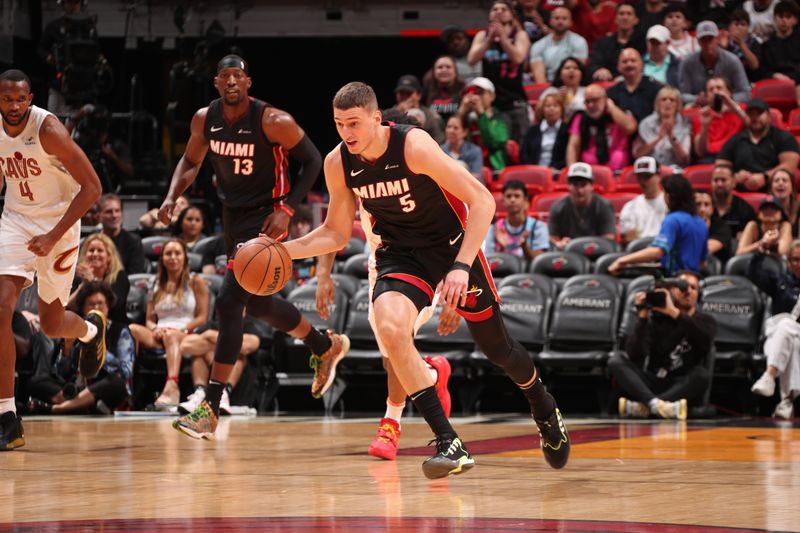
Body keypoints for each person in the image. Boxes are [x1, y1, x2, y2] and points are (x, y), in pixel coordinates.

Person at [283, 81, 570, 478]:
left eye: (353, 123)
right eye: (338, 124)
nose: (346, 133)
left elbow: (483, 201)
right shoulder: (338, 163)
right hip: (400, 255)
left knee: (498, 349)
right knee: (390, 330)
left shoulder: (413, 146)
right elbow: (333, 232)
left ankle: (542, 404)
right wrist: (281, 250)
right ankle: (449, 442)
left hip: (450, 248)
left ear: (376, 119)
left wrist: (461, 265)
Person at [159, 55, 348, 439]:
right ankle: (323, 344)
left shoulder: (273, 120)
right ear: (216, 83)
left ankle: (211, 406)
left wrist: (287, 209)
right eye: (225, 76)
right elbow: (190, 161)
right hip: (231, 215)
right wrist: (171, 196)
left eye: (238, 76)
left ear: (248, 82)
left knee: (230, 303)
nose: (231, 82)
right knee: (258, 303)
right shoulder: (204, 119)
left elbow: (312, 161)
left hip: (266, 216)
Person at [0, 69, 107, 451]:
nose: (13, 106)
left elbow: (93, 187)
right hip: (15, 220)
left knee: (50, 323)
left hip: (60, 221)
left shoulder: (48, 130)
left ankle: (91, 331)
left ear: (29, 100)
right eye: (6, 99)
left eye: (20, 100)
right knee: (1, 307)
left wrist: (52, 235)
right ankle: (8, 417)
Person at [610, 270, 716, 420]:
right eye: (683, 287)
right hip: (653, 380)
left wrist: (674, 312)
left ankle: (645, 407)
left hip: (681, 384)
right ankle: (657, 406)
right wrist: (642, 318)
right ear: (671, 291)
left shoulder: (705, 320)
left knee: (701, 375)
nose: (689, 292)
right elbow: (635, 355)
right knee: (616, 359)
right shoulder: (657, 319)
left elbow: (704, 340)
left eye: (694, 288)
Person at [28, 281, 134, 415]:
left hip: (103, 387)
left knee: (116, 383)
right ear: (83, 308)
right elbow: (60, 373)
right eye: (91, 304)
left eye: (100, 303)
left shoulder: (121, 330)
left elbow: (126, 371)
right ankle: (79, 406)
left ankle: (59, 408)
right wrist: (67, 348)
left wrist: (97, 346)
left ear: (108, 306)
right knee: (36, 382)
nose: (96, 307)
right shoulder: (76, 328)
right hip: (78, 389)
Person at [129, 239, 209, 409]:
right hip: (160, 332)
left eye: (177, 253)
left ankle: (172, 386)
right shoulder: (155, 283)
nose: (173, 257)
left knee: (171, 335)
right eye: (168, 253)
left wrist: (179, 329)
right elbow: (149, 319)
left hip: (185, 331)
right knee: (132, 329)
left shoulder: (196, 281)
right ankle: (128, 381)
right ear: (162, 258)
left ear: (185, 258)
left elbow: (202, 317)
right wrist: (155, 328)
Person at [609, 174, 708, 277]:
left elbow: (657, 251)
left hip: (675, 282)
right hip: (695, 282)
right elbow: (702, 263)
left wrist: (622, 260)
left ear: (668, 196)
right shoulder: (701, 223)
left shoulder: (673, 220)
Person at [748, 239, 800, 419]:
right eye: (794, 259)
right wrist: (761, 250)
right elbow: (753, 274)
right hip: (779, 338)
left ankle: (769, 376)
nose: (798, 264)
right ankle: (787, 401)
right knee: (791, 342)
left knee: (787, 326)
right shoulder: (781, 282)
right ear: (788, 262)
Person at [467, 0, 532, 141]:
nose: (499, 11)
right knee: (496, 143)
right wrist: (489, 40)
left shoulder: (520, 35)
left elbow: (518, 58)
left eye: (503, 9)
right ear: (490, 15)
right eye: (495, 9)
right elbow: (471, 60)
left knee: (519, 144)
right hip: (491, 102)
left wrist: (503, 38)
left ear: (511, 15)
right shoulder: (482, 36)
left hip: (515, 101)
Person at [177, 313, 261, 416]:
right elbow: (184, 345)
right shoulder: (211, 325)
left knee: (237, 354)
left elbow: (247, 346)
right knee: (198, 353)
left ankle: (224, 393)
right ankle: (200, 392)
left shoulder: (247, 325)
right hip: (210, 376)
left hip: (239, 388)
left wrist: (210, 336)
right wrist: (222, 346)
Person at [716, 98, 800, 193]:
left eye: (759, 113)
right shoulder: (735, 139)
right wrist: (735, 177)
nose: (755, 117)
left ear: (768, 116)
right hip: (741, 192)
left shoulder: (783, 137)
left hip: (774, 192)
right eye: (751, 114)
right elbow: (720, 166)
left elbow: (789, 166)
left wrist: (765, 177)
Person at [566, 83, 638, 171]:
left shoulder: (619, 114)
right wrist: (572, 169)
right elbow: (573, 146)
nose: (590, 105)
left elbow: (630, 128)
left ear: (605, 99)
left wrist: (611, 108)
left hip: (618, 173)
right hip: (589, 174)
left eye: (595, 100)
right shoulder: (581, 118)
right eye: (587, 101)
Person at [678, 21, 751, 106]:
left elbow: (746, 94)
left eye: (710, 39)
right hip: (699, 107)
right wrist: (697, 99)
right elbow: (682, 95)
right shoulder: (687, 63)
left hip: (728, 106)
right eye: (703, 39)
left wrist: (727, 97)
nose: (707, 43)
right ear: (698, 41)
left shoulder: (732, 61)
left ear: (717, 39)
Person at [548, 162, 616, 249]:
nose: (580, 190)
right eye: (575, 185)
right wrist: (559, 243)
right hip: (567, 253)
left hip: (597, 252)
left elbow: (608, 239)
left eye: (583, 185)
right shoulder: (558, 207)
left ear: (592, 186)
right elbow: (553, 238)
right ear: (568, 186)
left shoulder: (604, 206)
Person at [67, 232, 129, 325]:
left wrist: (93, 281)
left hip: (113, 327)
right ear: (85, 254)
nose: (95, 254)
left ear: (109, 256)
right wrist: (84, 284)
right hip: (83, 326)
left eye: (100, 250)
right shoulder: (79, 277)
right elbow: (69, 307)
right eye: (91, 250)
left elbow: (113, 306)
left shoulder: (119, 276)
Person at [484, 180, 550, 261]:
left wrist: (525, 247)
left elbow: (541, 260)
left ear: (526, 200)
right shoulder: (494, 229)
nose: (512, 200)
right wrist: (502, 248)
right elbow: (488, 261)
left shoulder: (538, 226)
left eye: (517, 196)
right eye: (508, 196)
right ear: (503, 201)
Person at [458, 77, 511, 173]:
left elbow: (493, 142)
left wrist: (481, 114)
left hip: (495, 168)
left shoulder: (501, 118)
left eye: (481, 93)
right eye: (474, 93)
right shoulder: (467, 118)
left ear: (492, 96)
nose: (476, 97)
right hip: (469, 167)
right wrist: (461, 111)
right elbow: (452, 140)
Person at [691, 76, 749, 163]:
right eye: (711, 90)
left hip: (736, 154)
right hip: (712, 157)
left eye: (719, 88)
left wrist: (732, 106)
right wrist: (705, 126)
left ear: (729, 92)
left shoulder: (741, 109)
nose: (715, 91)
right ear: (706, 96)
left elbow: (754, 127)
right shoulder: (701, 116)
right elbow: (700, 152)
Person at [633, 85, 691, 168]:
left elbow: (684, 160)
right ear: (657, 103)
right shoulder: (645, 124)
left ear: (678, 105)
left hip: (674, 169)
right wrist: (658, 138)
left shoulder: (684, 124)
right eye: (663, 99)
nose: (668, 102)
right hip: (650, 169)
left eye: (672, 100)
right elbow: (637, 154)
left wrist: (672, 137)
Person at [588, 2, 646, 81]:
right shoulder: (603, 43)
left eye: (629, 14)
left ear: (636, 20)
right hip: (608, 83)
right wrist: (599, 69)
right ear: (615, 19)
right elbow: (593, 63)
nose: (625, 17)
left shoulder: (643, 43)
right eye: (621, 14)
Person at [528, 7, 588, 84]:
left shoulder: (579, 42)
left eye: (564, 18)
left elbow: (576, 72)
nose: (560, 21)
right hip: (548, 85)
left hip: (572, 85)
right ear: (550, 21)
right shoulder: (538, 45)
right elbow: (539, 76)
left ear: (571, 22)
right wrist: (547, 92)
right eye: (556, 18)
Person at [758, 0, 800, 106]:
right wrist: (774, 75)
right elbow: (761, 69)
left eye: (788, 17)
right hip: (774, 80)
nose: (784, 20)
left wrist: (793, 79)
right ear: (774, 19)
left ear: (795, 20)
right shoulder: (767, 44)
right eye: (780, 16)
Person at [619, 156, 668, 247]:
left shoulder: (669, 203)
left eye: (647, 177)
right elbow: (629, 238)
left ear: (658, 176)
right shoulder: (630, 206)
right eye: (639, 177)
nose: (643, 181)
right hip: (638, 252)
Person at [606, 48, 664, 125]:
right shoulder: (611, 92)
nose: (629, 64)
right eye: (624, 62)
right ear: (618, 67)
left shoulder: (656, 88)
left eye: (633, 61)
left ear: (641, 64)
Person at [99, 193, 147, 274]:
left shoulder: (134, 242)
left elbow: (135, 274)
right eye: (109, 212)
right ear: (99, 216)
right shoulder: (93, 242)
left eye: (117, 211)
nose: (114, 215)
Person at [520, 92, 569, 170]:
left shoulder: (567, 130)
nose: (551, 109)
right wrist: (532, 168)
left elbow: (568, 156)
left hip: (558, 172)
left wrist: (555, 168)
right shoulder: (532, 130)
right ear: (542, 110)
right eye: (548, 106)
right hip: (534, 171)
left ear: (562, 109)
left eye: (555, 106)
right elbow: (524, 154)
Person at [390, 74, 445, 144]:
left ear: (418, 95)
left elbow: (439, 140)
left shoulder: (430, 116)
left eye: (408, 93)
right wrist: (398, 113)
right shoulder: (390, 114)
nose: (404, 97)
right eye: (401, 93)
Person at [711, 164, 757, 239]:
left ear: (734, 183)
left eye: (723, 180)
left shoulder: (745, 209)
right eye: (716, 180)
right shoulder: (702, 206)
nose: (719, 184)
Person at [422, 55, 466, 125]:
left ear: (455, 72)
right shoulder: (426, 90)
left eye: (448, 67)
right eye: (440, 67)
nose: (444, 70)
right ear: (434, 72)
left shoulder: (463, 90)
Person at [539, 56, 586, 121]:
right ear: (560, 75)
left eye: (576, 68)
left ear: (582, 74)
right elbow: (539, 111)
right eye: (567, 68)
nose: (571, 70)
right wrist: (557, 99)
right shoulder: (551, 92)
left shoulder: (587, 91)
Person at [720, 9, 762, 82]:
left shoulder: (754, 42)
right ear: (729, 27)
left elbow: (754, 65)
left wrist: (741, 43)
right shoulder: (722, 41)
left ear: (748, 28)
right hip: (727, 81)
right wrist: (723, 48)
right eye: (736, 24)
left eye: (743, 24)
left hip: (748, 80)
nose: (739, 27)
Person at [441, 114, 484, 182]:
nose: (451, 130)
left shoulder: (475, 151)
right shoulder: (440, 151)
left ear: (465, 132)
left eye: (456, 128)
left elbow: (476, 179)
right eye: (449, 127)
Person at [694, 189, 733, 264]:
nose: (702, 209)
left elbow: (703, 251)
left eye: (706, 204)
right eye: (698, 204)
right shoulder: (686, 226)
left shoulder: (722, 227)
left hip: (716, 272)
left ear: (712, 209)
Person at [767, 167, 800, 234]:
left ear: (792, 187)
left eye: (785, 180)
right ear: (771, 188)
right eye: (776, 180)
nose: (780, 183)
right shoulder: (765, 208)